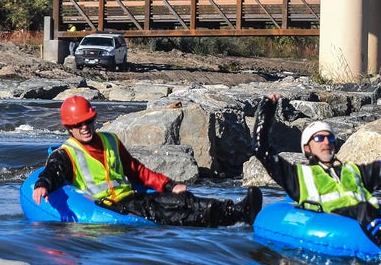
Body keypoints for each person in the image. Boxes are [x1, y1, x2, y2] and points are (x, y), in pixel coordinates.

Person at [252, 94, 381, 253]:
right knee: (365, 209)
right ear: (307, 149)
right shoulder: (297, 176)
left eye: (330, 138)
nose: (326, 142)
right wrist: (266, 110)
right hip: (336, 217)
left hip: (369, 213)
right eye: (319, 138)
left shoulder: (354, 171)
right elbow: (261, 150)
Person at [32, 95, 262, 227]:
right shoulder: (66, 153)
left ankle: (238, 210)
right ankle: (233, 217)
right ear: (69, 127)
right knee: (172, 214)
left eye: (88, 121)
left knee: (183, 199)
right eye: (78, 124)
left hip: (132, 197)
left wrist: (170, 185)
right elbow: (53, 171)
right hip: (111, 206)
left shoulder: (110, 140)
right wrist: (43, 184)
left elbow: (137, 171)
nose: (84, 127)